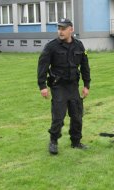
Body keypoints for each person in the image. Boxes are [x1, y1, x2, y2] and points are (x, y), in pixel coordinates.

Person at [37, 18, 91, 155]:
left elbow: (85, 66)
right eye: (59, 28)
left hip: (73, 86)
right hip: (58, 86)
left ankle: (76, 142)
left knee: (77, 116)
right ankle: (53, 142)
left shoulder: (79, 46)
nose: (60, 31)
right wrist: (42, 86)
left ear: (71, 30)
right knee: (58, 117)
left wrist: (86, 85)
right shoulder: (52, 46)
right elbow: (42, 65)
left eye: (63, 28)